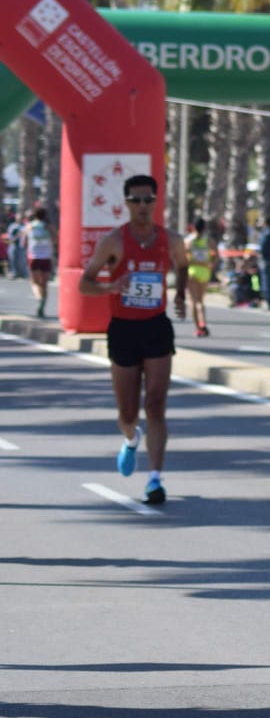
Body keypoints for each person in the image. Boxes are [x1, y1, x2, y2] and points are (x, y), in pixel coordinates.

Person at [78, 174, 190, 505]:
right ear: (126, 203)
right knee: (128, 413)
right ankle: (130, 440)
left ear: (156, 202)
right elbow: (84, 283)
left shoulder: (170, 240)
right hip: (123, 329)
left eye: (148, 200)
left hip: (156, 325)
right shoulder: (113, 242)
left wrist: (181, 293)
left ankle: (155, 479)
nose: (143, 206)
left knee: (156, 404)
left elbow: (183, 266)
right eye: (136, 200)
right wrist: (111, 287)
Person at [184, 218, 216, 336]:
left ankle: (198, 327)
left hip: (192, 271)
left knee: (193, 301)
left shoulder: (189, 240)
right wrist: (211, 265)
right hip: (204, 271)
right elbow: (215, 255)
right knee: (200, 301)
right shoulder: (208, 240)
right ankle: (203, 322)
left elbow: (184, 256)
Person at [26, 206, 54, 318]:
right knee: (44, 284)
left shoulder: (30, 226)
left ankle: (39, 299)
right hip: (46, 257)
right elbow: (56, 239)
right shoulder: (49, 227)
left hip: (34, 256)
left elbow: (23, 241)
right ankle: (43, 304)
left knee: (34, 282)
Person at [257, 223, 270, 307]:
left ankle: (269, 301)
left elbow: (262, 247)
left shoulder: (267, 233)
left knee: (266, 282)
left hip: (267, 261)